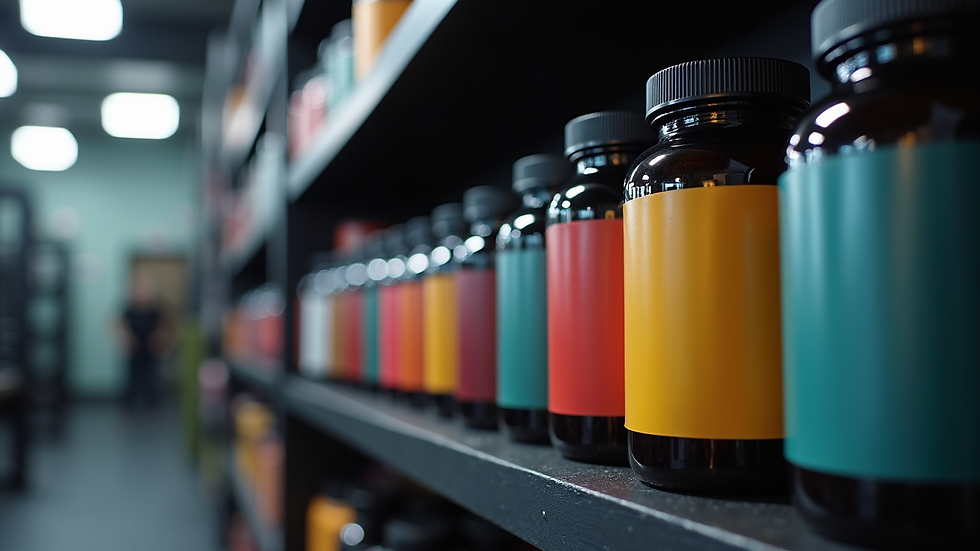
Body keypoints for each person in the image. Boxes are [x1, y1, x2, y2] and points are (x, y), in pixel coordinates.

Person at [114, 273, 172, 414]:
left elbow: (167, 325)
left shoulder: (155, 309)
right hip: (134, 350)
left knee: (150, 379)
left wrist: (160, 337)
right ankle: (127, 408)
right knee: (130, 379)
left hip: (150, 350)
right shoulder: (130, 308)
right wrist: (125, 338)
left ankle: (152, 407)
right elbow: (116, 324)